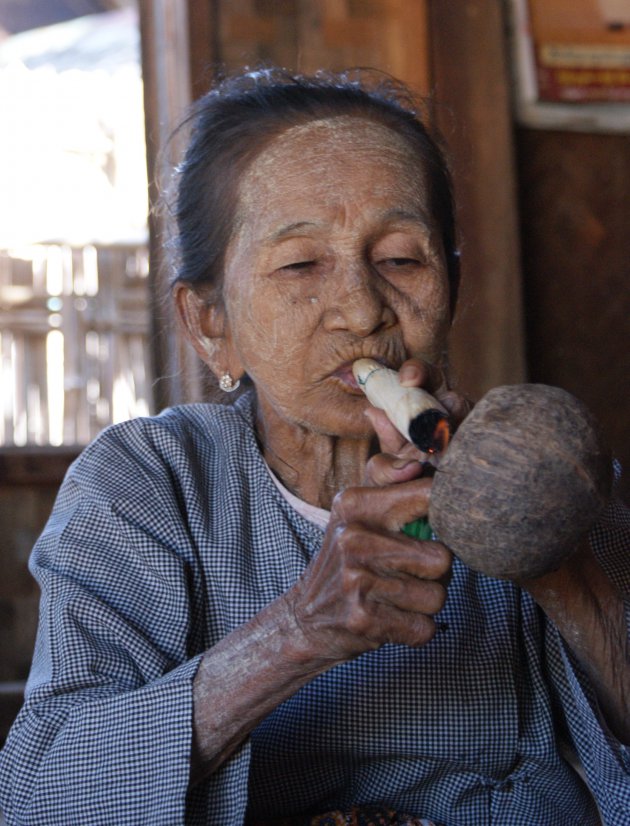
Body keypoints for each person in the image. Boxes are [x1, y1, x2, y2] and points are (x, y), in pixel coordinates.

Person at [0, 67, 628, 826]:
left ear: (451, 289)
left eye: (401, 259)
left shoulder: (527, 466)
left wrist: (562, 566)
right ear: (209, 324)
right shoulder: (148, 484)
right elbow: (40, 799)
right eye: (301, 265)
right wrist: (301, 630)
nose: (363, 311)